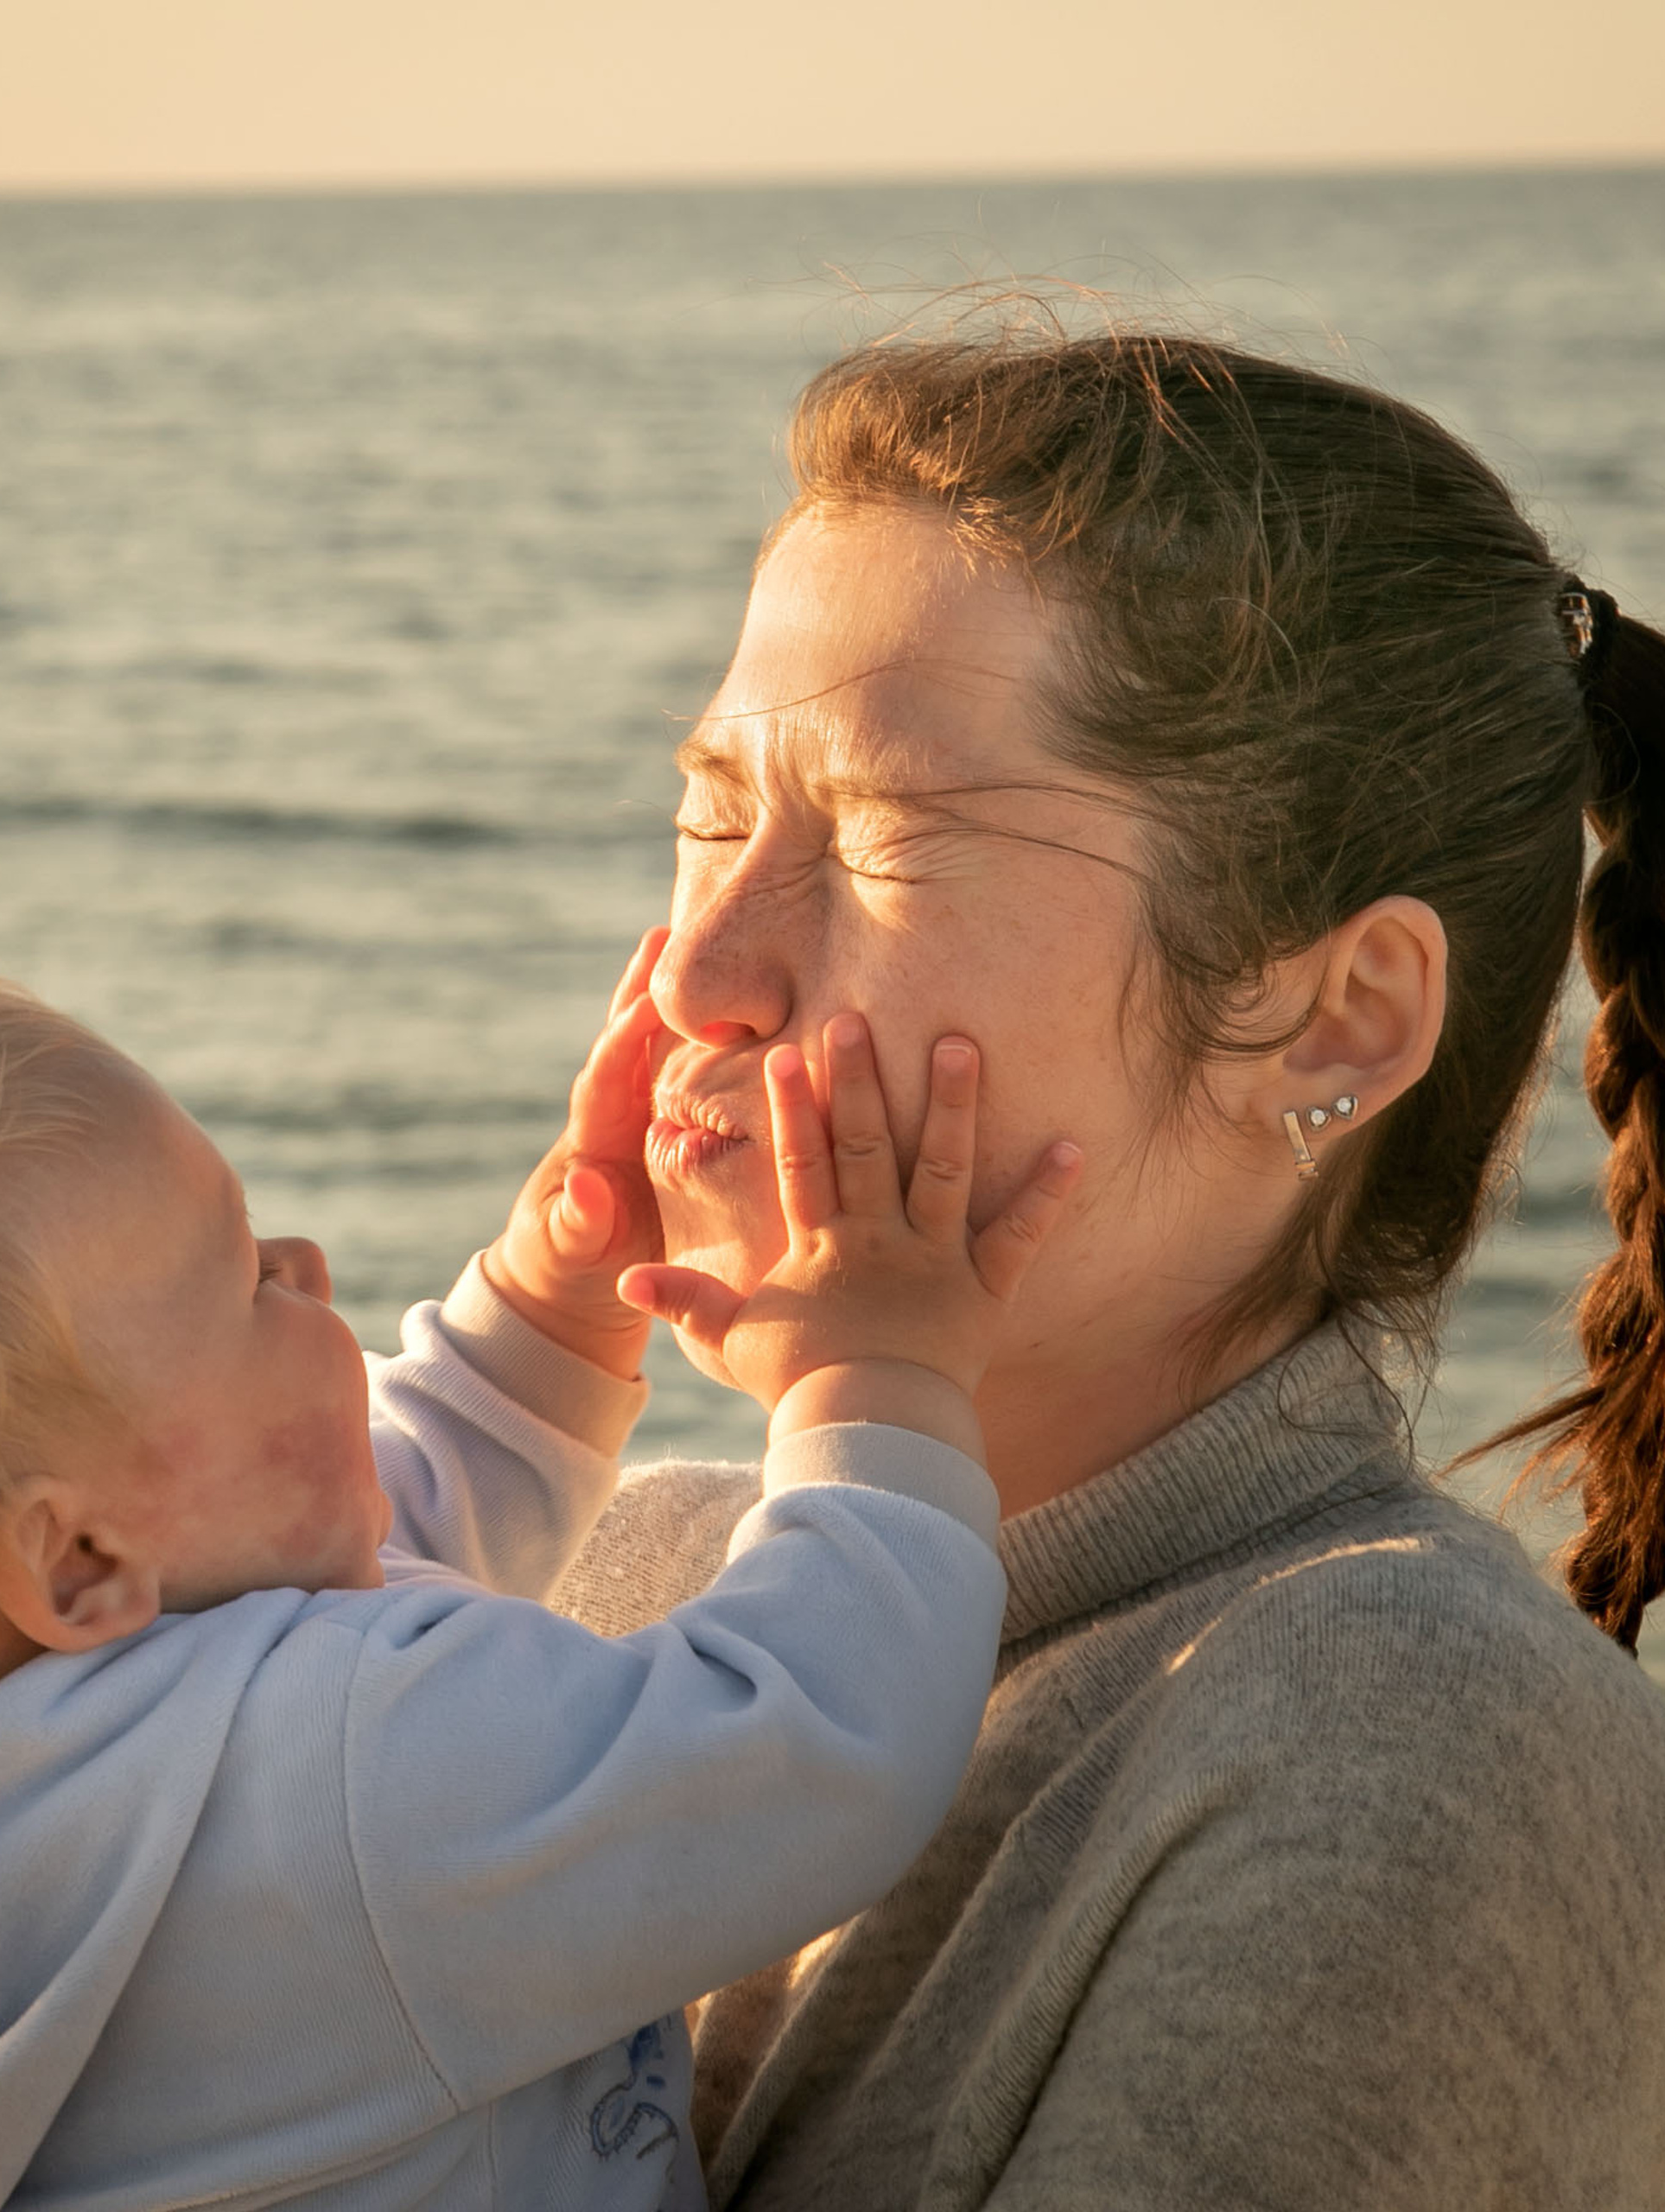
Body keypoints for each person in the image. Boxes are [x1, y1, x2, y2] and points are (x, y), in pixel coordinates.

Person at [0, 788, 1080, 2212]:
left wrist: (554, 1300)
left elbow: (356, 1557)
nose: (304, 1268)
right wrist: (876, 1382)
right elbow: (808, 1747)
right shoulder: (348, 1792)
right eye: (239, 1279)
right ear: (79, 1560)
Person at [545, 323, 1665, 2207]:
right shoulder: (622, 1565)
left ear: (1328, 1019)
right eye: (709, 820)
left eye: (884, 842)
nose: (701, 973)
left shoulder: (1406, 1736)